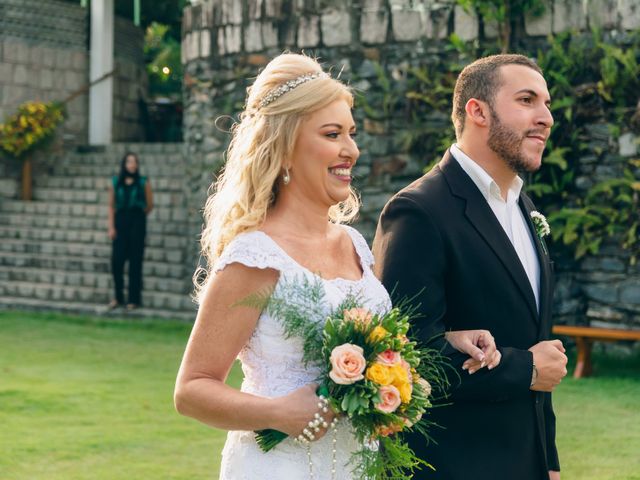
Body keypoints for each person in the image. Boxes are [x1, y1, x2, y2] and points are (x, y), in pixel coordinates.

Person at [173, 53, 502, 480]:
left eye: (351, 133)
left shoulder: (354, 244)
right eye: (332, 134)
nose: (352, 149)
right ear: (285, 147)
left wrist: (446, 341)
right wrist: (277, 412)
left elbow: (370, 354)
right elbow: (191, 389)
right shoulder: (255, 256)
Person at [372, 54, 569, 479]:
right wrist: (526, 369)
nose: (546, 117)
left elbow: (534, 340)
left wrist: (548, 460)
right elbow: (404, 358)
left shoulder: (523, 207)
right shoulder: (417, 211)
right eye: (527, 100)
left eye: (547, 103)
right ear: (477, 111)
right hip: (453, 463)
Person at [107, 152, 153, 310]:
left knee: (135, 261)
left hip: (137, 222)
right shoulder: (116, 182)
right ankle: (118, 297)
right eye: (129, 162)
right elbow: (111, 206)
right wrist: (111, 227)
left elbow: (149, 205)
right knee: (117, 261)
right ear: (124, 164)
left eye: (134, 162)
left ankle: (134, 299)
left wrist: (138, 217)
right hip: (120, 222)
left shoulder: (143, 182)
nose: (132, 165)